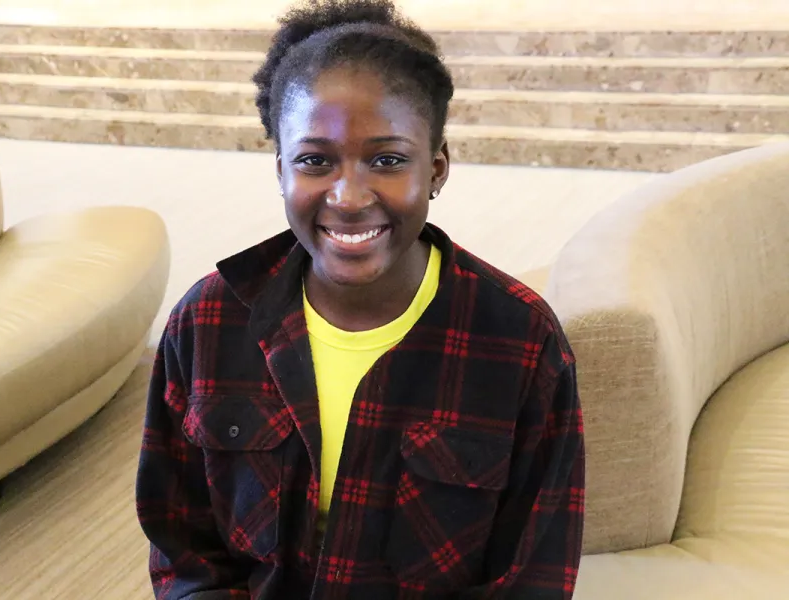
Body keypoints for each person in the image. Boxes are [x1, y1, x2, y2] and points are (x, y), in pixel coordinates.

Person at [136, 0, 585, 598]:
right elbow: (183, 547)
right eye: (315, 161)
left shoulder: (522, 342)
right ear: (281, 172)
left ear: (437, 169)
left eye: (388, 160)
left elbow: (531, 575)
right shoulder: (208, 321)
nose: (348, 197)